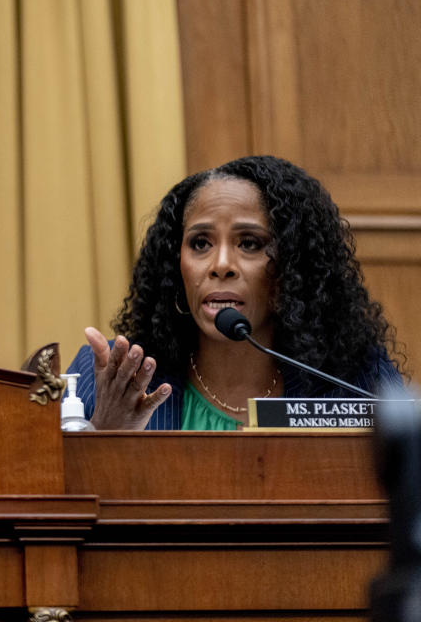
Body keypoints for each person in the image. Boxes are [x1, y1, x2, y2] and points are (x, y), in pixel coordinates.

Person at [66, 155, 405, 430]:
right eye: (200, 243)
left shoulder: (352, 377)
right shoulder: (112, 376)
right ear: (176, 266)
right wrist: (104, 437)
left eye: (249, 243)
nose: (221, 264)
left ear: (293, 267)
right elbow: (49, 505)